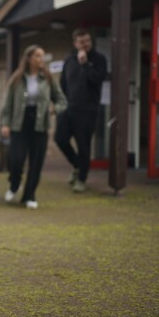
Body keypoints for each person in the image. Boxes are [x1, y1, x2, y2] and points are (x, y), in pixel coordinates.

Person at [0, 45, 67, 209]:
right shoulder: (17, 78)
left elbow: (62, 101)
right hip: (19, 123)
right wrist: (5, 123)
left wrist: (53, 109)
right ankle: (14, 184)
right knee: (16, 159)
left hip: (39, 124)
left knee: (36, 162)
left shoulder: (48, 79)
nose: (41, 59)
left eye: (42, 56)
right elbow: (7, 103)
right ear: (29, 58)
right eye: (38, 56)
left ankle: (30, 195)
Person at [54, 28, 107, 193]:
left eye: (88, 41)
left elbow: (98, 80)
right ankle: (77, 165)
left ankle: (82, 179)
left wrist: (85, 65)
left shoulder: (99, 59)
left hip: (88, 110)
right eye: (82, 41)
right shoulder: (69, 60)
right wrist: (58, 104)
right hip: (69, 108)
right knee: (60, 138)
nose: (86, 44)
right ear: (75, 43)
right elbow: (63, 84)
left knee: (83, 145)